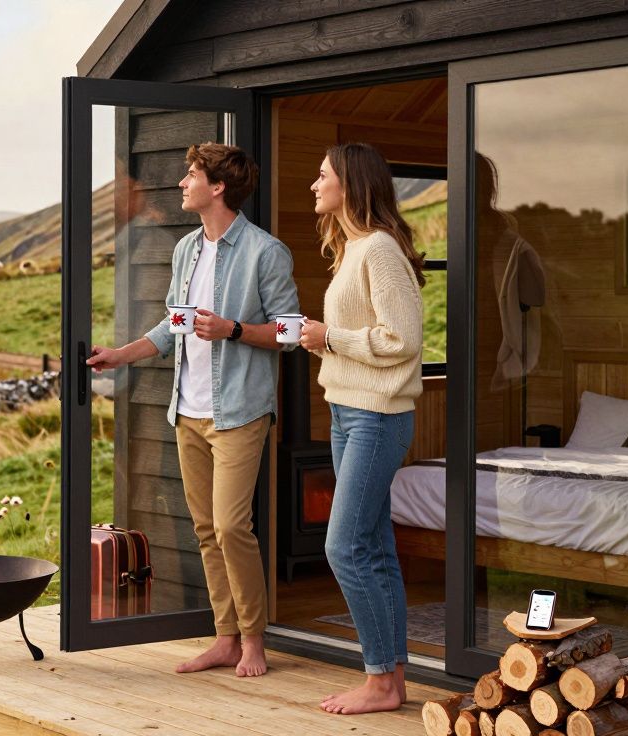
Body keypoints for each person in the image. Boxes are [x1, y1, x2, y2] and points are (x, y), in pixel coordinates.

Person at [86, 142, 299, 678]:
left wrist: (232, 329)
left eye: (191, 174)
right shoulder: (187, 250)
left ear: (218, 187)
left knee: (232, 527)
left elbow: (290, 332)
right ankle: (225, 637)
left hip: (240, 413)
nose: (183, 183)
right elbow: (174, 326)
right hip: (189, 410)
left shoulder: (264, 252)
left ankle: (254, 640)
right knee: (206, 529)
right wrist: (121, 355)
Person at [299, 142, 425, 714]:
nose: (313, 184)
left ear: (350, 183)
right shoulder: (351, 248)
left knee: (344, 546)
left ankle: (377, 678)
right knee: (373, 547)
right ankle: (392, 680)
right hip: (349, 412)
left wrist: (330, 338)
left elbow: (402, 341)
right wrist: (320, 340)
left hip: (378, 416)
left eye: (323, 175)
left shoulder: (379, 250)